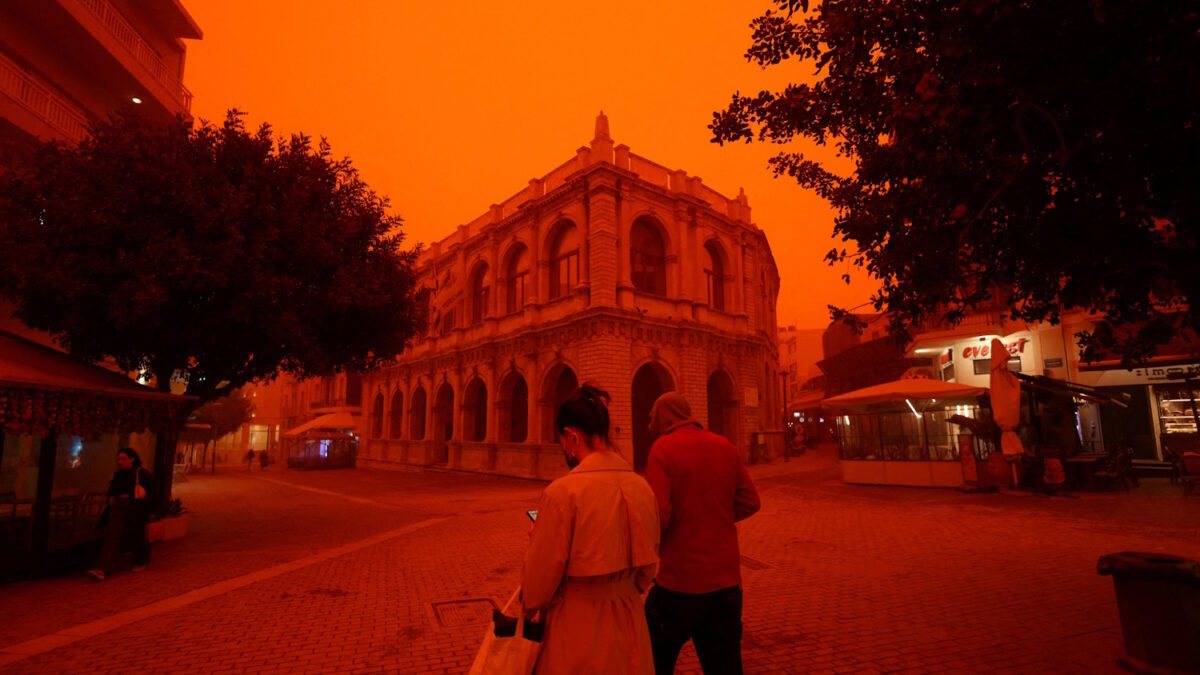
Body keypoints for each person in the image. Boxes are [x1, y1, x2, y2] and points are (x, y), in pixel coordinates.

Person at [522, 384, 660, 674]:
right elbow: (647, 570)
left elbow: (536, 588)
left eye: (562, 440)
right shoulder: (642, 487)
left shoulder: (562, 492)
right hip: (631, 618)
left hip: (578, 625)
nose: (563, 449)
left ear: (571, 436)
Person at [643, 392, 761, 675]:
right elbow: (750, 501)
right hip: (727, 584)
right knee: (725, 666)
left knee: (650, 658)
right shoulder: (724, 445)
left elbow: (658, 514)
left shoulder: (663, 449)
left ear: (663, 417)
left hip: (679, 585)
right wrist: (714, 515)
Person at [89, 448, 153, 580]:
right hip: (119, 507)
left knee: (137, 534)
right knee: (113, 535)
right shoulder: (118, 475)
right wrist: (112, 496)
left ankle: (140, 560)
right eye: (118, 459)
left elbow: (152, 493)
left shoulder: (141, 473)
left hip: (135, 508)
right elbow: (112, 489)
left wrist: (150, 512)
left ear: (132, 459)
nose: (120, 462)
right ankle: (102, 568)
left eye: (123, 459)